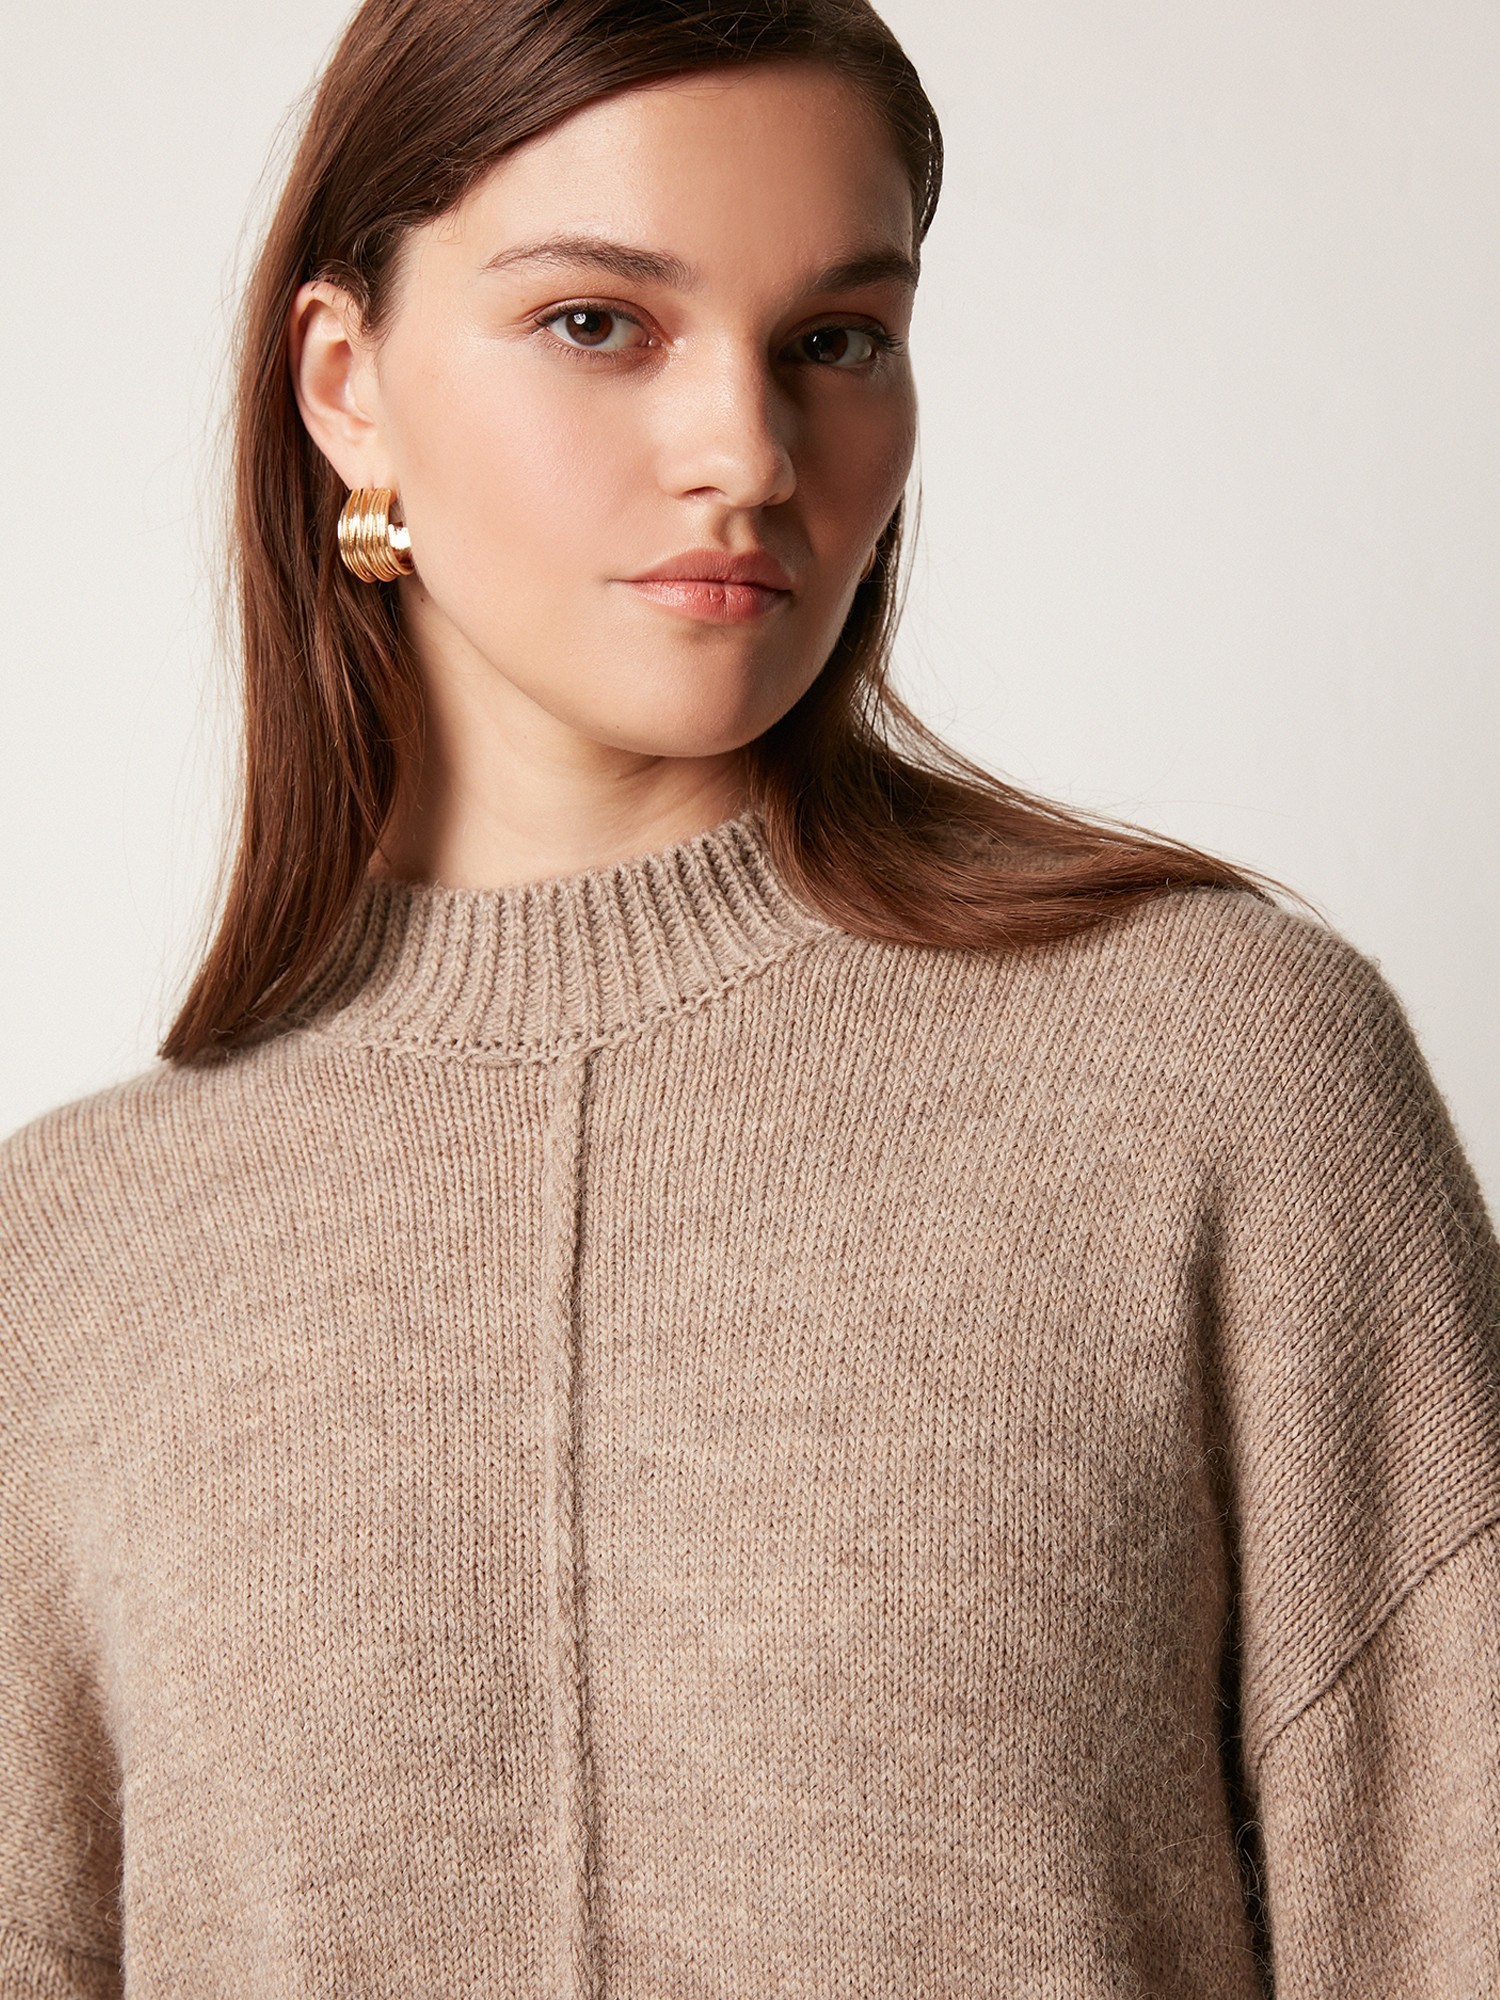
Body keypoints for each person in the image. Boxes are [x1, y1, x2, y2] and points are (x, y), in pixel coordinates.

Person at [2, 2, 1496, 1995]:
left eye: (835, 340)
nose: (748, 451)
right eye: (598, 322)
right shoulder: (70, 1266)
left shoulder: (1219, 1083)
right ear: (346, 386)